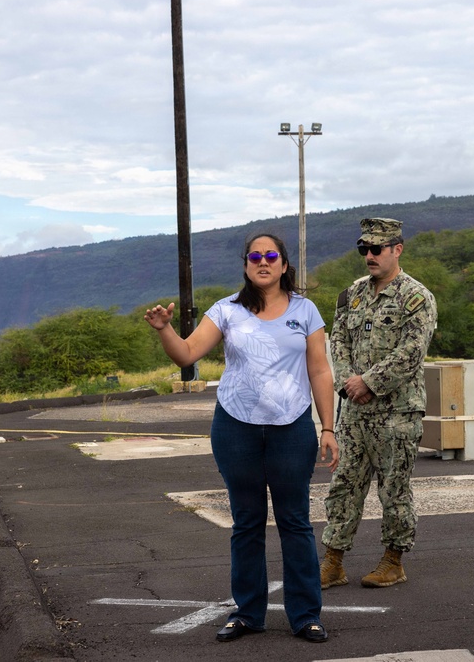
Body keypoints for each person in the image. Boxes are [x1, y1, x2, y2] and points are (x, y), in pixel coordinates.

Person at [143, 233, 339, 644]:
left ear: (284, 264)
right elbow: (186, 354)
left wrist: (327, 427)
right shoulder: (226, 310)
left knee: (295, 521)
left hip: (291, 426)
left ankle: (306, 615)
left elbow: (320, 370)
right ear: (246, 265)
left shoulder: (305, 311)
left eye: (271, 255)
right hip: (236, 427)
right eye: (255, 256)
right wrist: (164, 329)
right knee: (247, 522)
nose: (263, 262)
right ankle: (248, 613)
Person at [319, 217, 437, 590]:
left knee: (394, 488)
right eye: (364, 249)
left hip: (396, 412)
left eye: (376, 249)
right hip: (355, 412)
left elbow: (412, 351)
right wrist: (348, 382)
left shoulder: (415, 297)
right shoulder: (351, 294)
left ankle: (393, 560)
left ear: (397, 249)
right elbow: (338, 341)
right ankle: (333, 561)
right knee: (344, 485)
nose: (369, 255)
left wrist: (369, 382)